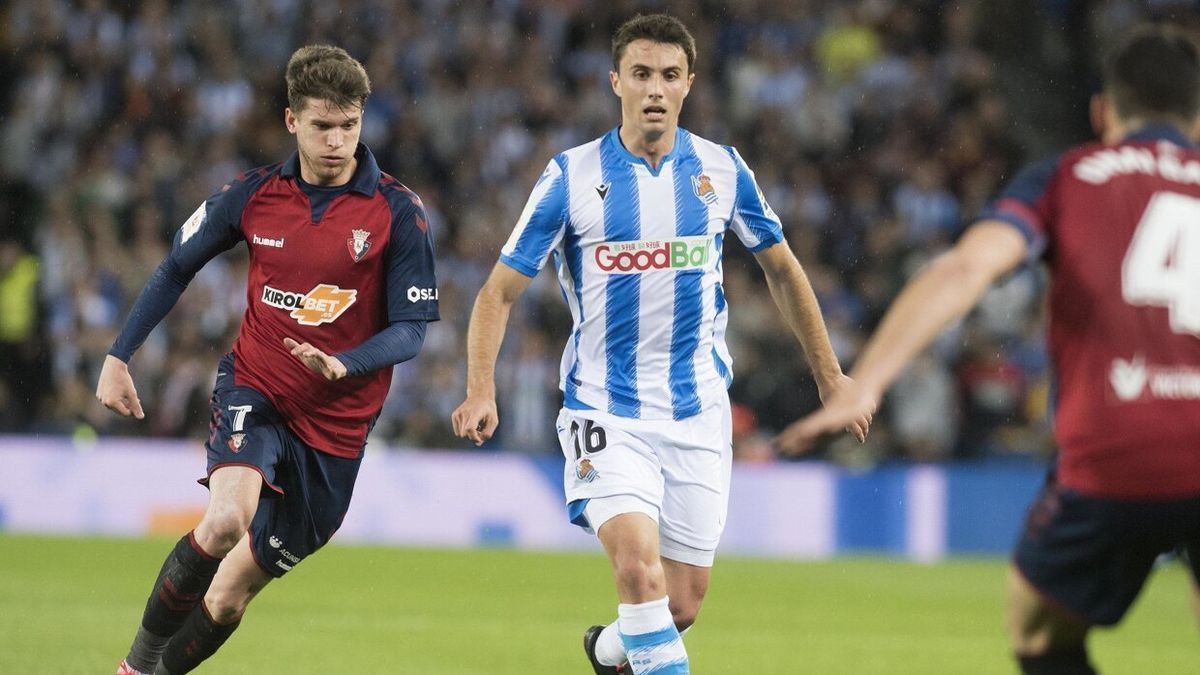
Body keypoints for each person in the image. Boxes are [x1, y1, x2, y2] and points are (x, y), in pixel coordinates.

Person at [450, 14, 868, 675]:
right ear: (615, 81)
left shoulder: (721, 171)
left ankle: (606, 650)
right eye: (641, 74)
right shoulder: (570, 176)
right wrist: (481, 386)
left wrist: (832, 380)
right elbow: (498, 291)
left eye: (669, 76)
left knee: (679, 604)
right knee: (639, 572)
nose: (654, 89)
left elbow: (783, 269)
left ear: (689, 84)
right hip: (605, 412)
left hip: (698, 412)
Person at [776, 25, 1200, 675]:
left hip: (1119, 449)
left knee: (1036, 631)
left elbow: (963, 271)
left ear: (1103, 112)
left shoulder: (1067, 175)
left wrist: (868, 381)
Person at [96, 45, 439, 675]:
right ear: (291, 122)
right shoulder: (253, 196)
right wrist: (120, 354)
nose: (337, 141)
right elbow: (177, 266)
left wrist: (346, 363)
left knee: (228, 597)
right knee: (226, 519)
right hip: (256, 388)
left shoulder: (397, 211)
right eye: (322, 126)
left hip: (336, 433)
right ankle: (135, 666)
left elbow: (412, 330)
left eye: (349, 126)